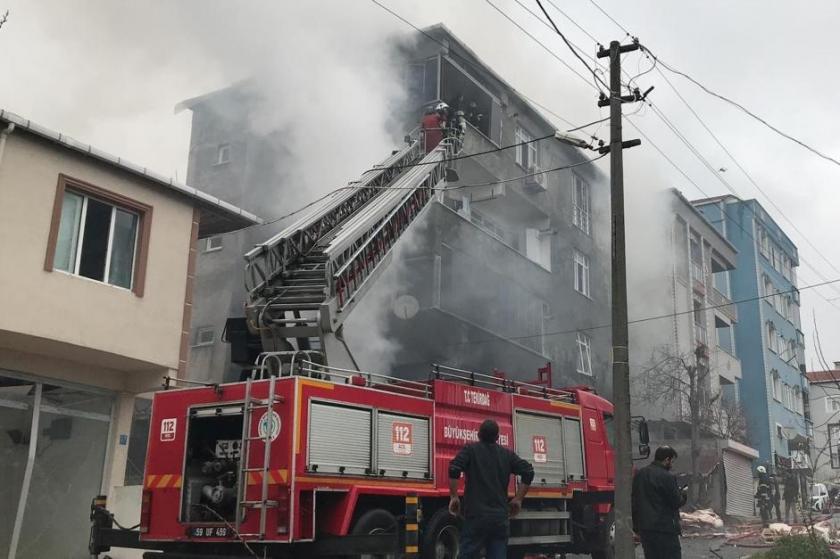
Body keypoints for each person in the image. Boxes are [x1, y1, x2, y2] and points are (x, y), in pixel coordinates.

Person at [448, 419, 534, 559]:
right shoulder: (507, 455)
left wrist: (454, 496)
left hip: (476, 517)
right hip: (499, 519)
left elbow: (454, 468)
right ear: (497, 438)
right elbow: (528, 472)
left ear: (478, 434)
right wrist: (518, 499)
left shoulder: (470, 450)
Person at [632, 446, 687, 559]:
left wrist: (636, 528)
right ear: (667, 460)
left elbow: (634, 502)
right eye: (672, 461)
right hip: (665, 529)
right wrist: (683, 495)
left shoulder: (640, 474)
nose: (672, 465)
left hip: (646, 529)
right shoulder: (667, 477)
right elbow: (676, 502)